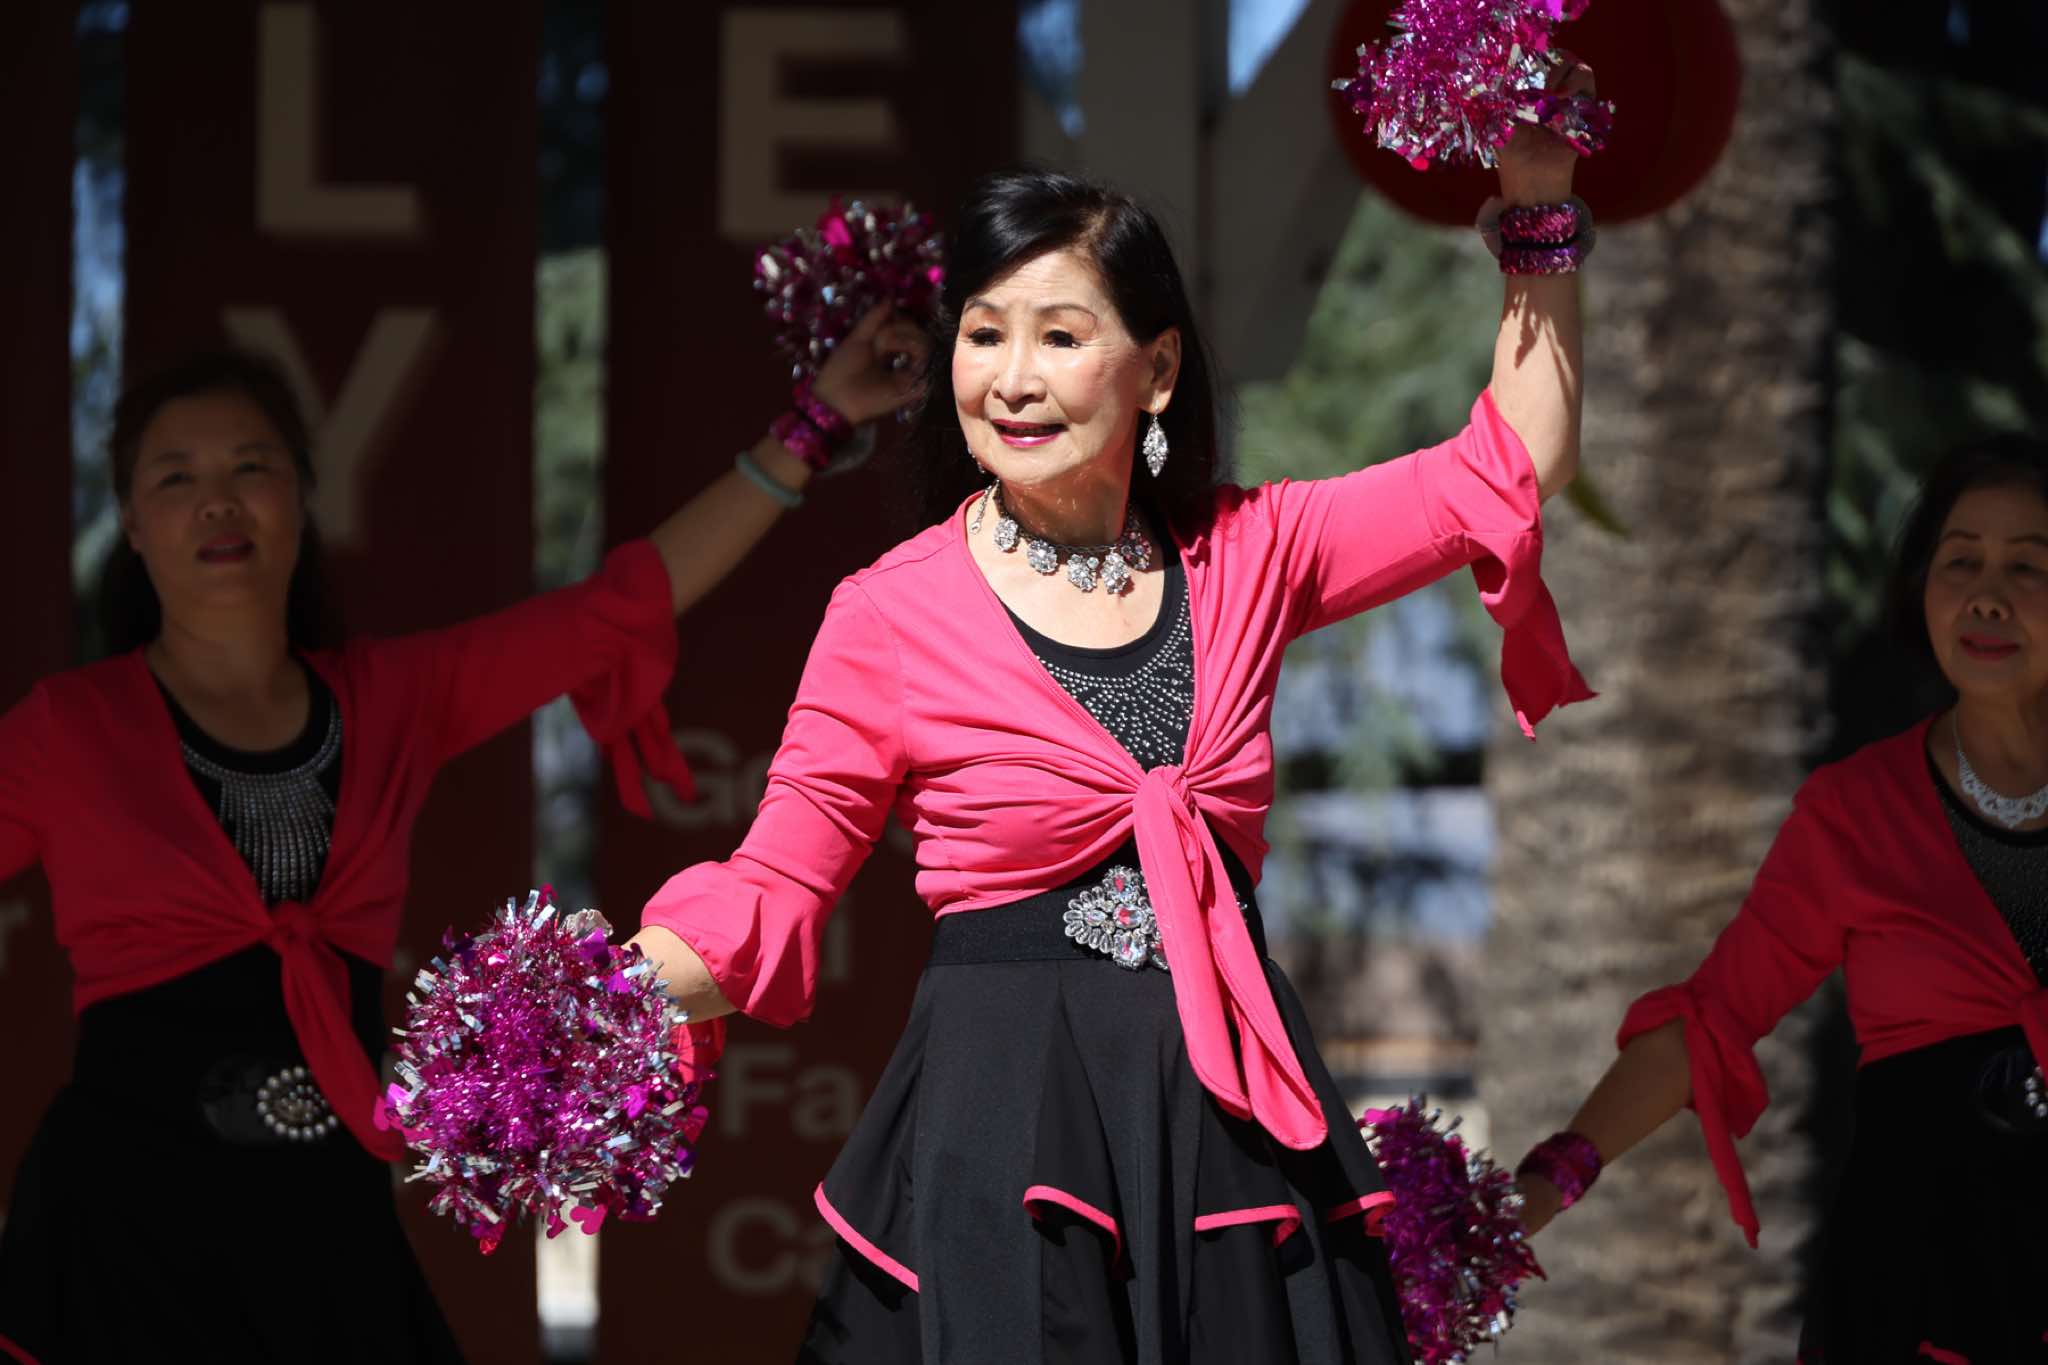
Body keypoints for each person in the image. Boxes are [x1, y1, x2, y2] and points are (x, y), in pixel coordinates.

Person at [630, 68, 1596, 1364]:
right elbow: (773, 887)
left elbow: (1509, 469)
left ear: (1157, 369)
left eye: (1059, 335)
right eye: (983, 335)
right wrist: (607, 992)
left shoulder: (1250, 551)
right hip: (1004, 1124)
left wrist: (1538, 206)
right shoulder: (889, 613)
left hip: (1225, 1120)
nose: (1011, 379)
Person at [0, 318, 919, 1365]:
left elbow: (619, 607)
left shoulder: (394, 698)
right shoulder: (65, 731)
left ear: (302, 494)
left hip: (321, 1224)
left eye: (250, 466)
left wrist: (813, 424)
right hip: (117, 1235)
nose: (217, 499)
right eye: (176, 477)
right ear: (129, 520)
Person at [1514, 434, 2048, 1363]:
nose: (1987, 595)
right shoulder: (1855, 813)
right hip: (1906, 1307)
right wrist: (1544, 1183)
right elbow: (1712, 1018)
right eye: (1960, 561)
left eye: (2029, 567)